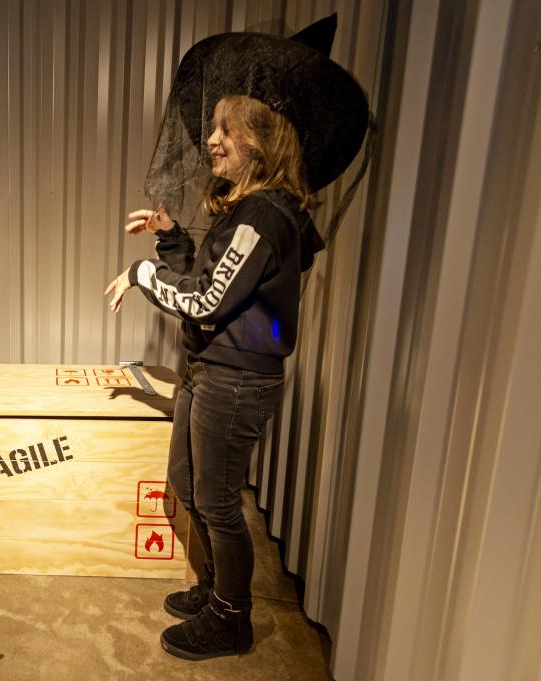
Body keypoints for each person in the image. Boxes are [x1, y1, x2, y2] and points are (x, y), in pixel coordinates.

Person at [105, 16, 369, 661]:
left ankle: (232, 617)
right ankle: (217, 587)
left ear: (264, 139)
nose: (212, 140)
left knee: (219, 502)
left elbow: (204, 301)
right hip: (210, 372)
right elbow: (209, 277)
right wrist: (169, 237)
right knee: (189, 485)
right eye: (214, 127)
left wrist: (141, 274)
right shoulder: (244, 211)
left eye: (227, 129)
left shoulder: (265, 215)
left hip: (237, 381)